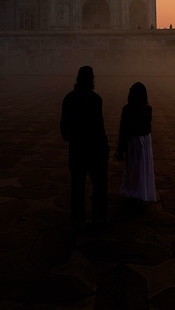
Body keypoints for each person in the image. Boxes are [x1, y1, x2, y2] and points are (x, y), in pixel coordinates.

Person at [60, 66, 109, 228]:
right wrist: (105, 146)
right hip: (95, 147)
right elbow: (99, 126)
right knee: (100, 183)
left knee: (78, 184)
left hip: (77, 148)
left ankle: (78, 218)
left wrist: (71, 137)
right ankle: (99, 216)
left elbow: (64, 128)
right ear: (92, 79)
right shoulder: (95, 98)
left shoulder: (69, 97)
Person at [115, 82, 157, 202]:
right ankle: (142, 190)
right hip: (145, 139)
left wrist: (120, 148)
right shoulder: (148, 109)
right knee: (143, 165)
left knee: (133, 167)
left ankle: (133, 189)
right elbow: (148, 127)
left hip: (133, 140)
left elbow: (123, 129)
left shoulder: (127, 109)